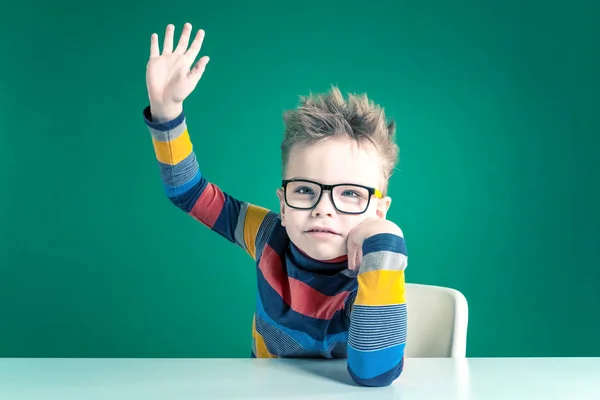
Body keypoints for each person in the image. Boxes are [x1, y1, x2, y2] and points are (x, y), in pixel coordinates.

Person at [142, 22, 408, 387]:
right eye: (304, 190)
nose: (323, 209)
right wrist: (166, 112)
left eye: (350, 194)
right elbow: (189, 193)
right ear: (283, 204)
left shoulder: (375, 268)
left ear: (378, 210)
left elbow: (374, 374)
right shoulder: (267, 234)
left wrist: (386, 240)